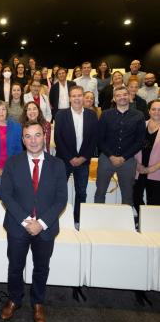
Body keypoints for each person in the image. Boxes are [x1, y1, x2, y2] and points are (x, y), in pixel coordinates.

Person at [0, 121, 67, 322]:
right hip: (18, 226)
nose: (33, 140)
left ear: (44, 137)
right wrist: (26, 221)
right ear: (23, 139)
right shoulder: (12, 163)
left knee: (41, 268)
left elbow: (61, 199)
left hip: (45, 230)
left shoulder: (57, 164)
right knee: (15, 266)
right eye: (28, 136)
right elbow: (6, 195)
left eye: (37, 135)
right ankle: (14, 299)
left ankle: (38, 303)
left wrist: (42, 223)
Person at [54, 86, 98, 226]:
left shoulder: (92, 115)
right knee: (59, 192)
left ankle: (78, 220)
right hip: (65, 160)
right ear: (69, 98)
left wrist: (84, 157)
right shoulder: (61, 115)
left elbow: (93, 139)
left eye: (80, 95)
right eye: (74, 96)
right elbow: (58, 138)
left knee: (81, 192)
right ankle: (58, 219)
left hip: (83, 161)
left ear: (83, 97)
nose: (77, 98)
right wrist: (70, 158)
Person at [94, 86, 146, 206]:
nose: (122, 97)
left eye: (124, 94)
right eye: (118, 95)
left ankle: (125, 223)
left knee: (127, 195)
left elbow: (139, 141)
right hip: (106, 159)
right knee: (100, 192)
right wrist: (111, 156)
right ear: (114, 98)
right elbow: (99, 139)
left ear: (129, 96)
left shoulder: (139, 115)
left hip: (128, 161)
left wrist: (124, 157)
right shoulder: (106, 114)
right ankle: (97, 220)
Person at [133, 99, 160, 218]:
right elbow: (132, 146)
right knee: (134, 197)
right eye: (154, 109)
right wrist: (138, 165)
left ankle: (150, 225)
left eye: (159, 110)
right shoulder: (141, 126)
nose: (157, 112)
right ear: (149, 111)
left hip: (156, 171)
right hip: (138, 169)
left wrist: (151, 169)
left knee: (154, 202)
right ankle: (143, 219)